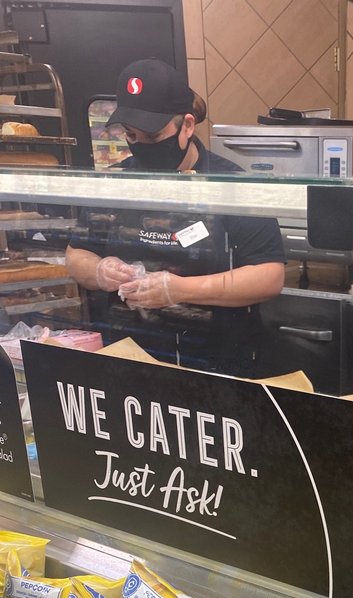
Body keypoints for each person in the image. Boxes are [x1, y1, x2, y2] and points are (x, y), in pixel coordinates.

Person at [65, 58, 286, 376]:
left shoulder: (234, 185)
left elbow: (269, 276)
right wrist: (99, 270)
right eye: (131, 136)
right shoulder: (114, 184)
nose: (141, 146)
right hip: (129, 360)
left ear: (187, 126)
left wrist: (180, 290)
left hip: (218, 365)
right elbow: (76, 255)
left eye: (153, 137)